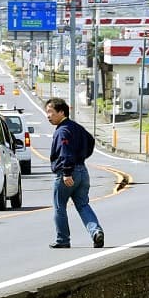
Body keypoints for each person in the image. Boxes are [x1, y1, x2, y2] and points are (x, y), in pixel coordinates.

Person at [45, 97, 104, 250]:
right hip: (82, 171)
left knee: (59, 206)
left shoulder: (62, 131)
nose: (48, 115)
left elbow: (65, 152)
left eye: (51, 112)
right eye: (47, 112)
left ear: (61, 112)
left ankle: (63, 239)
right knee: (83, 205)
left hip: (67, 174)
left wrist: (67, 172)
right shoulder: (76, 127)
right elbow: (90, 141)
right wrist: (81, 158)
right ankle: (96, 232)